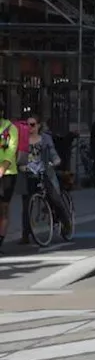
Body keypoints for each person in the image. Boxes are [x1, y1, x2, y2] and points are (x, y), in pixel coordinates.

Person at [20, 116, 67, 244]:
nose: (30, 128)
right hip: (29, 174)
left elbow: (52, 152)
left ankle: (66, 222)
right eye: (27, 125)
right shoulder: (23, 140)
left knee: (55, 197)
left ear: (39, 125)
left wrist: (56, 161)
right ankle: (25, 233)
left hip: (44, 172)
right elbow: (20, 155)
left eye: (33, 125)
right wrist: (21, 164)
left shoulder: (45, 138)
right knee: (26, 204)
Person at [0, 102, 19, 250]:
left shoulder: (10, 128)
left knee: (3, 207)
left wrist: (2, 168)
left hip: (7, 173)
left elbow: (11, 150)